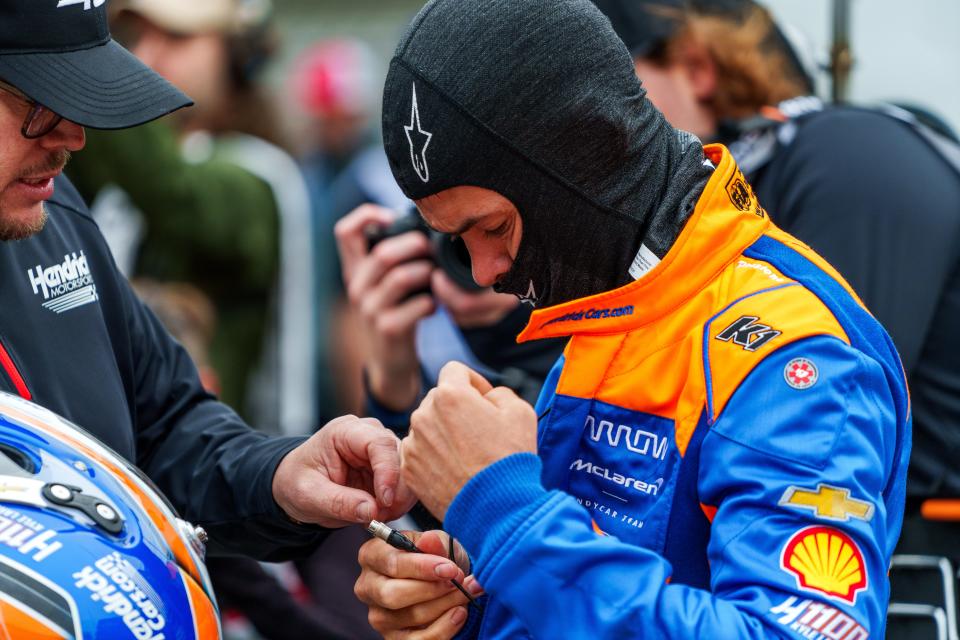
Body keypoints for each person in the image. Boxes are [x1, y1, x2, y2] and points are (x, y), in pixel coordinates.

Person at [353, 0, 911, 638]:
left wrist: (505, 515)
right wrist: (470, 600)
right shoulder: (615, 313)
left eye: (491, 227)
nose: (483, 271)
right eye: (456, 240)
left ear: (576, 163)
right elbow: (604, 574)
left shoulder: (793, 356)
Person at [0, 0, 411, 569]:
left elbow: (164, 426)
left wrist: (275, 475)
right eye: (40, 100)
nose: (75, 135)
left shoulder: (58, 209)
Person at [591, 0, 960, 564]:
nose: (584, 135)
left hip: (915, 572)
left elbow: (814, 407)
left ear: (696, 68)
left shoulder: (845, 151)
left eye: (604, 94)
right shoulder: (710, 212)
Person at [67, 0, 316, 437]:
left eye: (177, 39)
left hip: (234, 473)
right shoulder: (136, 171)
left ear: (239, 56)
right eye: (139, 38)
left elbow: (175, 193)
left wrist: (95, 74)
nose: (146, 57)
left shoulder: (261, 176)